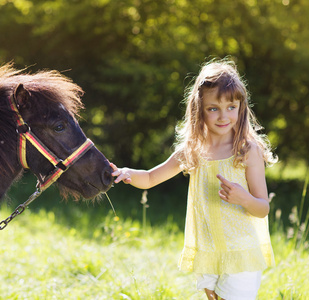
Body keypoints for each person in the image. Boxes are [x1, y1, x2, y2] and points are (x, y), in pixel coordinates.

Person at [111, 58, 277, 300]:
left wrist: (243, 198)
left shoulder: (247, 150)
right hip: (208, 252)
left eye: (231, 107)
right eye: (213, 109)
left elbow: (262, 208)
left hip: (241, 252)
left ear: (241, 107)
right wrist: (127, 173)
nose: (223, 116)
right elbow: (149, 178)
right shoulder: (193, 151)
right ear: (199, 110)